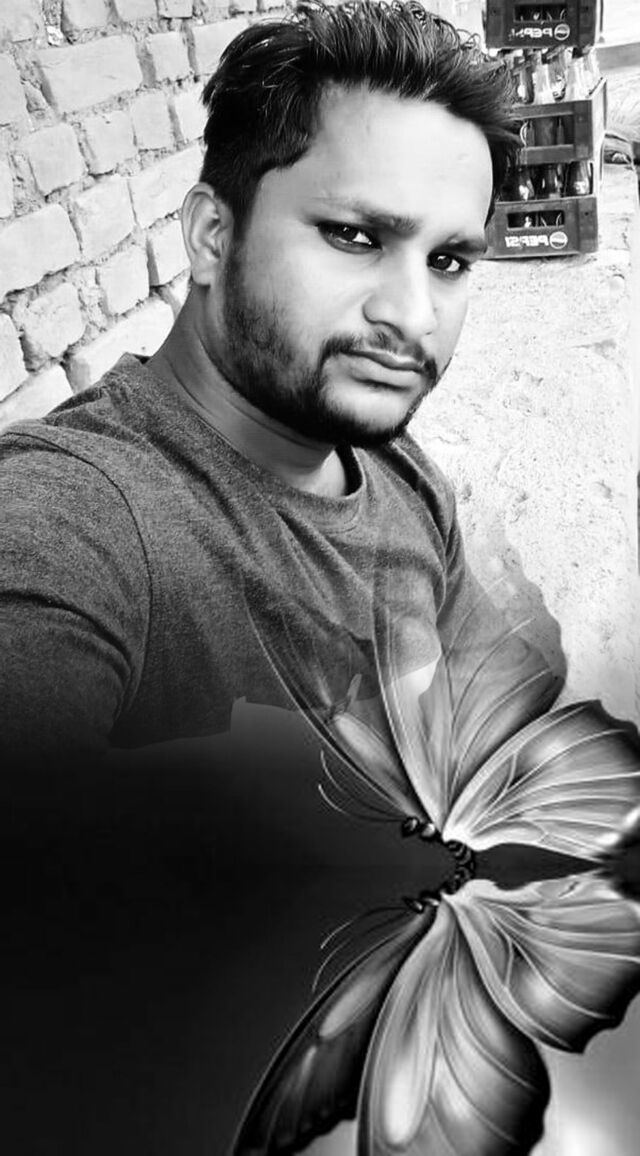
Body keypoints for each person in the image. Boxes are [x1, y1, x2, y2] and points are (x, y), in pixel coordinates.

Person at [0, 6, 565, 1151]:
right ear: (212, 234)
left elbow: (502, 710)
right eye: (354, 235)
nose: (410, 314)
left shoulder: (397, 475)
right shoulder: (81, 518)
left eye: (448, 260)